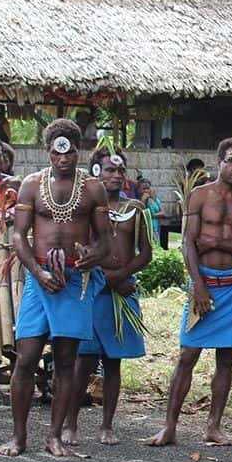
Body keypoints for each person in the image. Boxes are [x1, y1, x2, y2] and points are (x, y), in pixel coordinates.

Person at [0, 119, 110, 458]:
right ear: (48, 152)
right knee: (26, 358)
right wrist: (37, 271)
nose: (63, 158)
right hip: (39, 278)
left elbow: (106, 239)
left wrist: (93, 255)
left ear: (78, 151)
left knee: (66, 361)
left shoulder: (93, 188)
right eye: (57, 151)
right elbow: (18, 235)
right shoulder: (32, 185)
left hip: (75, 281)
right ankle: (18, 437)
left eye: (70, 151)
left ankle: (55, 437)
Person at [149, 139, 232, 447]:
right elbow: (188, 243)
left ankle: (213, 426)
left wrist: (216, 244)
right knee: (187, 355)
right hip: (204, 284)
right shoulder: (199, 196)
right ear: (219, 162)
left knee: (226, 359)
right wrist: (198, 285)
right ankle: (169, 426)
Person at [64, 145, 153, 446]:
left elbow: (146, 253)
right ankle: (71, 424)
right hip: (92, 290)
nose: (116, 175)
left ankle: (107, 426)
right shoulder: (85, 208)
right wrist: (107, 279)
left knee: (113, 362)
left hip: (121, 292)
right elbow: (79, 249)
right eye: (110, 170)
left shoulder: (136, 209)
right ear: (96, 173)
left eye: (120, 171)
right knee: (83, 362)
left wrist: (121, 276)